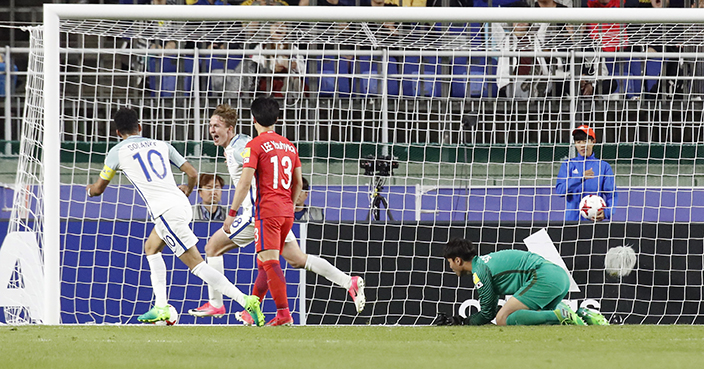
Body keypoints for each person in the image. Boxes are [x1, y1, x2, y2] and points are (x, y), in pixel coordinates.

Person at [188, 103, 365, 324]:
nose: (212, 130)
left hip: (257, 211)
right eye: (210, 126)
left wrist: (232, 212)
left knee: (213, 248)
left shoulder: (243, 146)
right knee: (296, 260)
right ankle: (349, 282)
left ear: (230, 128)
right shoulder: (272, 145)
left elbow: (248, 175)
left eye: (217, 126)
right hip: (281, 208)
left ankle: (218, 304)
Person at [86, 107, 265, 326]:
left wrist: (89, 189)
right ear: (140, 127)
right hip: (180, 204)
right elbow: (192, 173)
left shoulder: (117, 152)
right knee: (151, 247)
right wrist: (188, 190)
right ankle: (161, 306)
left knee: (197, 265)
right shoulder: (162, 145)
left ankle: (246, 301)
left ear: (117, 132)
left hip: (165, 212)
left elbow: (98, 190)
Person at [438, 238, 608, 326]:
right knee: (535, 317)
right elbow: (493, 306)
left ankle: (561, 315)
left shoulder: (480, 272)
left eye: (449, 262)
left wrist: (463, 321)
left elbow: (488, 313)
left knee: (503, 319)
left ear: (458, 260)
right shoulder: (486, 263)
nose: (450, 266)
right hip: (558, 276)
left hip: (544, 277)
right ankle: (583, 313)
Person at [555, 125, 617, 221]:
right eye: (578, 142)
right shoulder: (568, 164)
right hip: (572, 222)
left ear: (593, 142)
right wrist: (580, 177)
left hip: (594, 221)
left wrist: (607, 212)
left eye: (585, 141)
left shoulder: (603, 166)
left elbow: (612, 195)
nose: (582, 145)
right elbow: (560, 191)